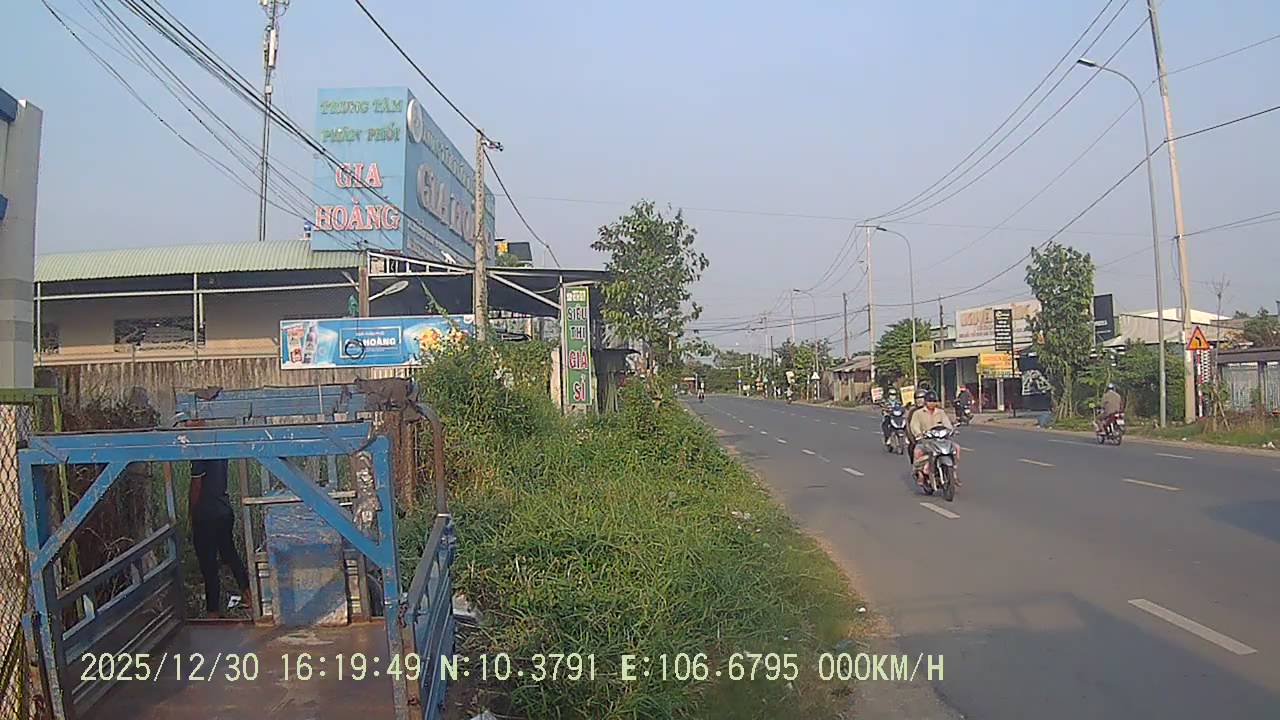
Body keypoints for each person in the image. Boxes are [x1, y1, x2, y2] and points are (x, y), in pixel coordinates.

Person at [188, 440, 250, 618]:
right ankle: (249, 595)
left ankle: (212, 613)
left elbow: (196, 485)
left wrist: (192, 513)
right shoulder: (217, 442)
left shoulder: (199, 449)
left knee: (208, 565)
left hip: (206, 514)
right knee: (229, 554)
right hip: (223, 510)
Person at [909, 391, 954, 483]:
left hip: (940, 440)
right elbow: (914, 426)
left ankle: (954, 472)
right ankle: (919, 473)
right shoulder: (918, 413)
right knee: (917, 451)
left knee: (956, 448)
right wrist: (919, 434)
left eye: (934, 401)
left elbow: (947, 424)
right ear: (925, 402)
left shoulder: (941, 412)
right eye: (930, 401)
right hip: (925, 440)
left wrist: (950, 430)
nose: (932, 403)